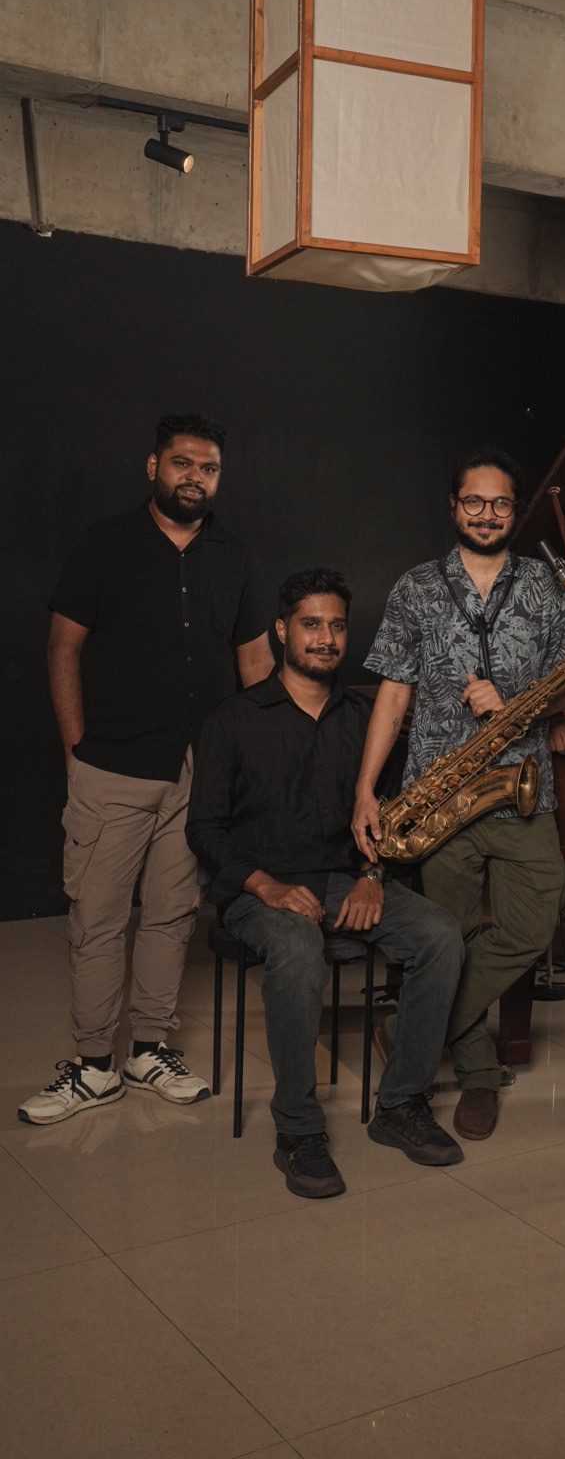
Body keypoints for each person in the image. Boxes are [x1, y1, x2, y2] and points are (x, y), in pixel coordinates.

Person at [20, 414, 275, 1127]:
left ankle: (148, 1051)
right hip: (113, 765)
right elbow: (62, 648)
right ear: (153, 467)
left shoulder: (236, 555)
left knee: (171, 915)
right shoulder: (105, 544)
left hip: (199, 773)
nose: (195, 477)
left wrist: (248, 765)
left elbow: (256, 665)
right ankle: (93, 1066)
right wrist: (76, 750)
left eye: (208, 468)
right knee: (98, 920)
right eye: (182, 463)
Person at [186, 569, 466, 1196]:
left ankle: (401, 1105)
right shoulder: (233, 719)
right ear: (281, 630)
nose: (326, 638)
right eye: (311, 624)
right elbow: (203, 828)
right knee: (295, 943)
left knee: (439, 935)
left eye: (337, 626)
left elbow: (388, 815)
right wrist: (266, 887)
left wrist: (373, 876)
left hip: (346, 879)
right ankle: (298, 1130)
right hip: (258, 891)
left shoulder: (368, 721)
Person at [353, 447, 565, 1141]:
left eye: (501, 503)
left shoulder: (545, 584)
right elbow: (393, 693)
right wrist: (367, 788)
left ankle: (415, 1026)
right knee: (447, 939)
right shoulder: (416, 587)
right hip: (438, 795)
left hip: (520, 788)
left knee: (535, 921)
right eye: (474, 502)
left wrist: (518, 702)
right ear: (455, 507)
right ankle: (480, 1073)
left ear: (516, 510)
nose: (487, 514)